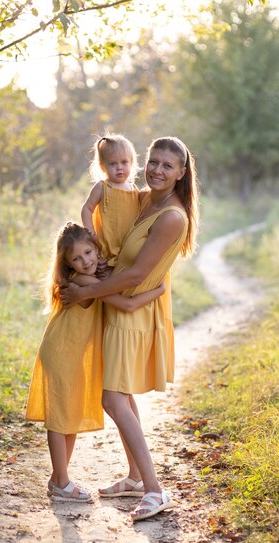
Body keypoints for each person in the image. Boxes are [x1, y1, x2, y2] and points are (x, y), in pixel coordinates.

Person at [60, 136, 199, 520]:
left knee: (113, 398)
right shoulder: (143, 200)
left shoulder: (172, 216)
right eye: (153, 162)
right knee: (122, 394)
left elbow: (138, 273)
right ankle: (136, 477)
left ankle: (155, 489)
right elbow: (108, 226)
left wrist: (84, 292)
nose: (156, 170)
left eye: (167, 166)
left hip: (134, 312)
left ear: (181, 174)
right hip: (119, 303)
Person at [25, 222, 166, 503]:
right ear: (67, 263)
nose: (85, 261)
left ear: (96, 248)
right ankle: (61, 482)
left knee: (70, 417)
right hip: (62, 352)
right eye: (76, 259)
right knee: (60, 419)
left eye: (89, 253)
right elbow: (126, 304)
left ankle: (59, 478)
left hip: (71, 353)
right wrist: (158, 290)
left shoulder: (92, 279)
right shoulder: (85, 282)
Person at [81, 133, 140, 270]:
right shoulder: (103, 187)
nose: (119, 167)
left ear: (131, 163)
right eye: (113, 163)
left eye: (124, 162)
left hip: (127, 247)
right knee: (105, 274)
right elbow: (87, 209)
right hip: (106, 246)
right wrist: (90, 233)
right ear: (103, 167)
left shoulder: (134, 190)